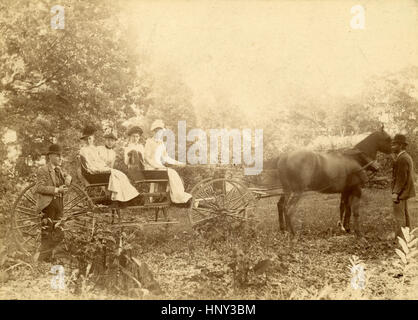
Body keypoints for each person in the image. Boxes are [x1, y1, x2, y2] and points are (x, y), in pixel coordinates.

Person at [79, 125, 139, 202]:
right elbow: (89, 164)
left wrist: (105, 168)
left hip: (102, 168)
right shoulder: (85, 150)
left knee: (120, 175)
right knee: (117, 174)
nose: (89, 140)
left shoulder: (94, 149)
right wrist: (100, 169)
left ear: (93, 138)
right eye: (87, 139)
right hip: (94, 172)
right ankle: (120, 198)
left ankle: (124, 197)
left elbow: (98, 161)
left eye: (90, 138)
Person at [35, 143, 72, 262]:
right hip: (48, 205)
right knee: (47, 232)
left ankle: (49, 257)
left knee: (59, 231)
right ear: (50, 156)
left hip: (59, 204)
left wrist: (68, 178)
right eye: (58, 156)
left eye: (61, 156)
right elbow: (39, 188)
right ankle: (43, 259)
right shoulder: (43, 170)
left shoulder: (59, 170)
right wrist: (56, 190)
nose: (60, 158)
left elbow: (67, 177)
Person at [144, 119, 192, 204]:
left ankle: (178, 196)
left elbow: (166, 158)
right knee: (171, 172)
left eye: (161, 131)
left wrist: (179, 163)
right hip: (150, 169)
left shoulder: (161, 144)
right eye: (158, 131)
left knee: (172, 173)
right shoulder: (149, 142)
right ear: (154, 131)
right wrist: (156, 166)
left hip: (159, 169)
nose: (160, 133)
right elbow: (147, 158)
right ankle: (178, 197)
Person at [391, 134, 416, 239]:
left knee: (399, 216)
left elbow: (401, 178)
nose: (392, 147)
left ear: (401, 145)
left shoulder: (402, 159)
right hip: (406, 191)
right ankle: (408, 236)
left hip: (401, 193)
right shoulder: (405, 157)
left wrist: (395, 193)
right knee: (405, 214)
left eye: (394, 144)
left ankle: (400, 239)